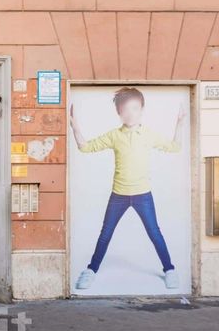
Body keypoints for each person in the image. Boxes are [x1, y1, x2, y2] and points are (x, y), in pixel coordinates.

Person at [69, 87, 186, 290]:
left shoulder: (148, 135)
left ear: (141, 110)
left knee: (154, 233)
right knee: (105, 234)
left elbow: (174, 147)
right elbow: (85, 147)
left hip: (143, 195)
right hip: (119, 195)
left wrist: (180, 123)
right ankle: (91, 270)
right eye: (125, 109)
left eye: (134, 108)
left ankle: (170, 270)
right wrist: (74, 126)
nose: (130, 113)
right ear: (119, 113)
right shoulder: (114, 135)